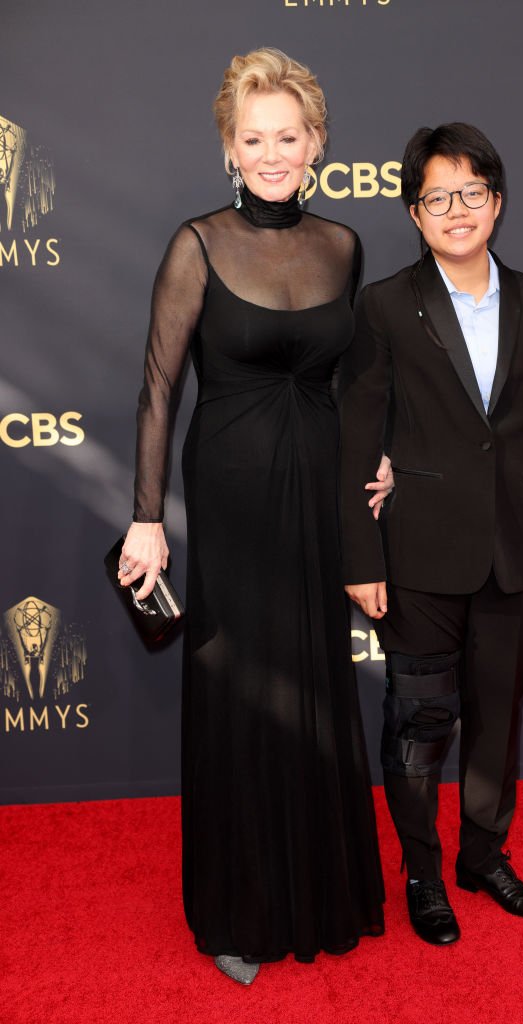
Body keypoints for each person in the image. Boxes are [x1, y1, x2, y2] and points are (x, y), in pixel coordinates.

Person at [119, 48, 388, 984]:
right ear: (229, 148)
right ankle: (237, 909)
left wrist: (375, 458)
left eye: (288, 136)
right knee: (239, 687)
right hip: (230, 493)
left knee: (313, 672)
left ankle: (322, 888)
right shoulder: (195, 244)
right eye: (252, 138)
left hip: (319, 484)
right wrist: (147, 517)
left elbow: (349, 379)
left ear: (316, 143)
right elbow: (158, 386)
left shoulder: (344, 245)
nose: (271, 153)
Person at [339, 123, 523, 946]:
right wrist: (360, 554)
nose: (457, 210)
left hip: (519, 550)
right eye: (437, 197)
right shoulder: (383, 305)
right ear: (414, 213)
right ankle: (420, 871)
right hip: (416, 555)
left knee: (497, 718)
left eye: (471, 193)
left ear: (497, 200)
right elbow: (356, 439)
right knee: (418, 724)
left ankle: (482, 856)